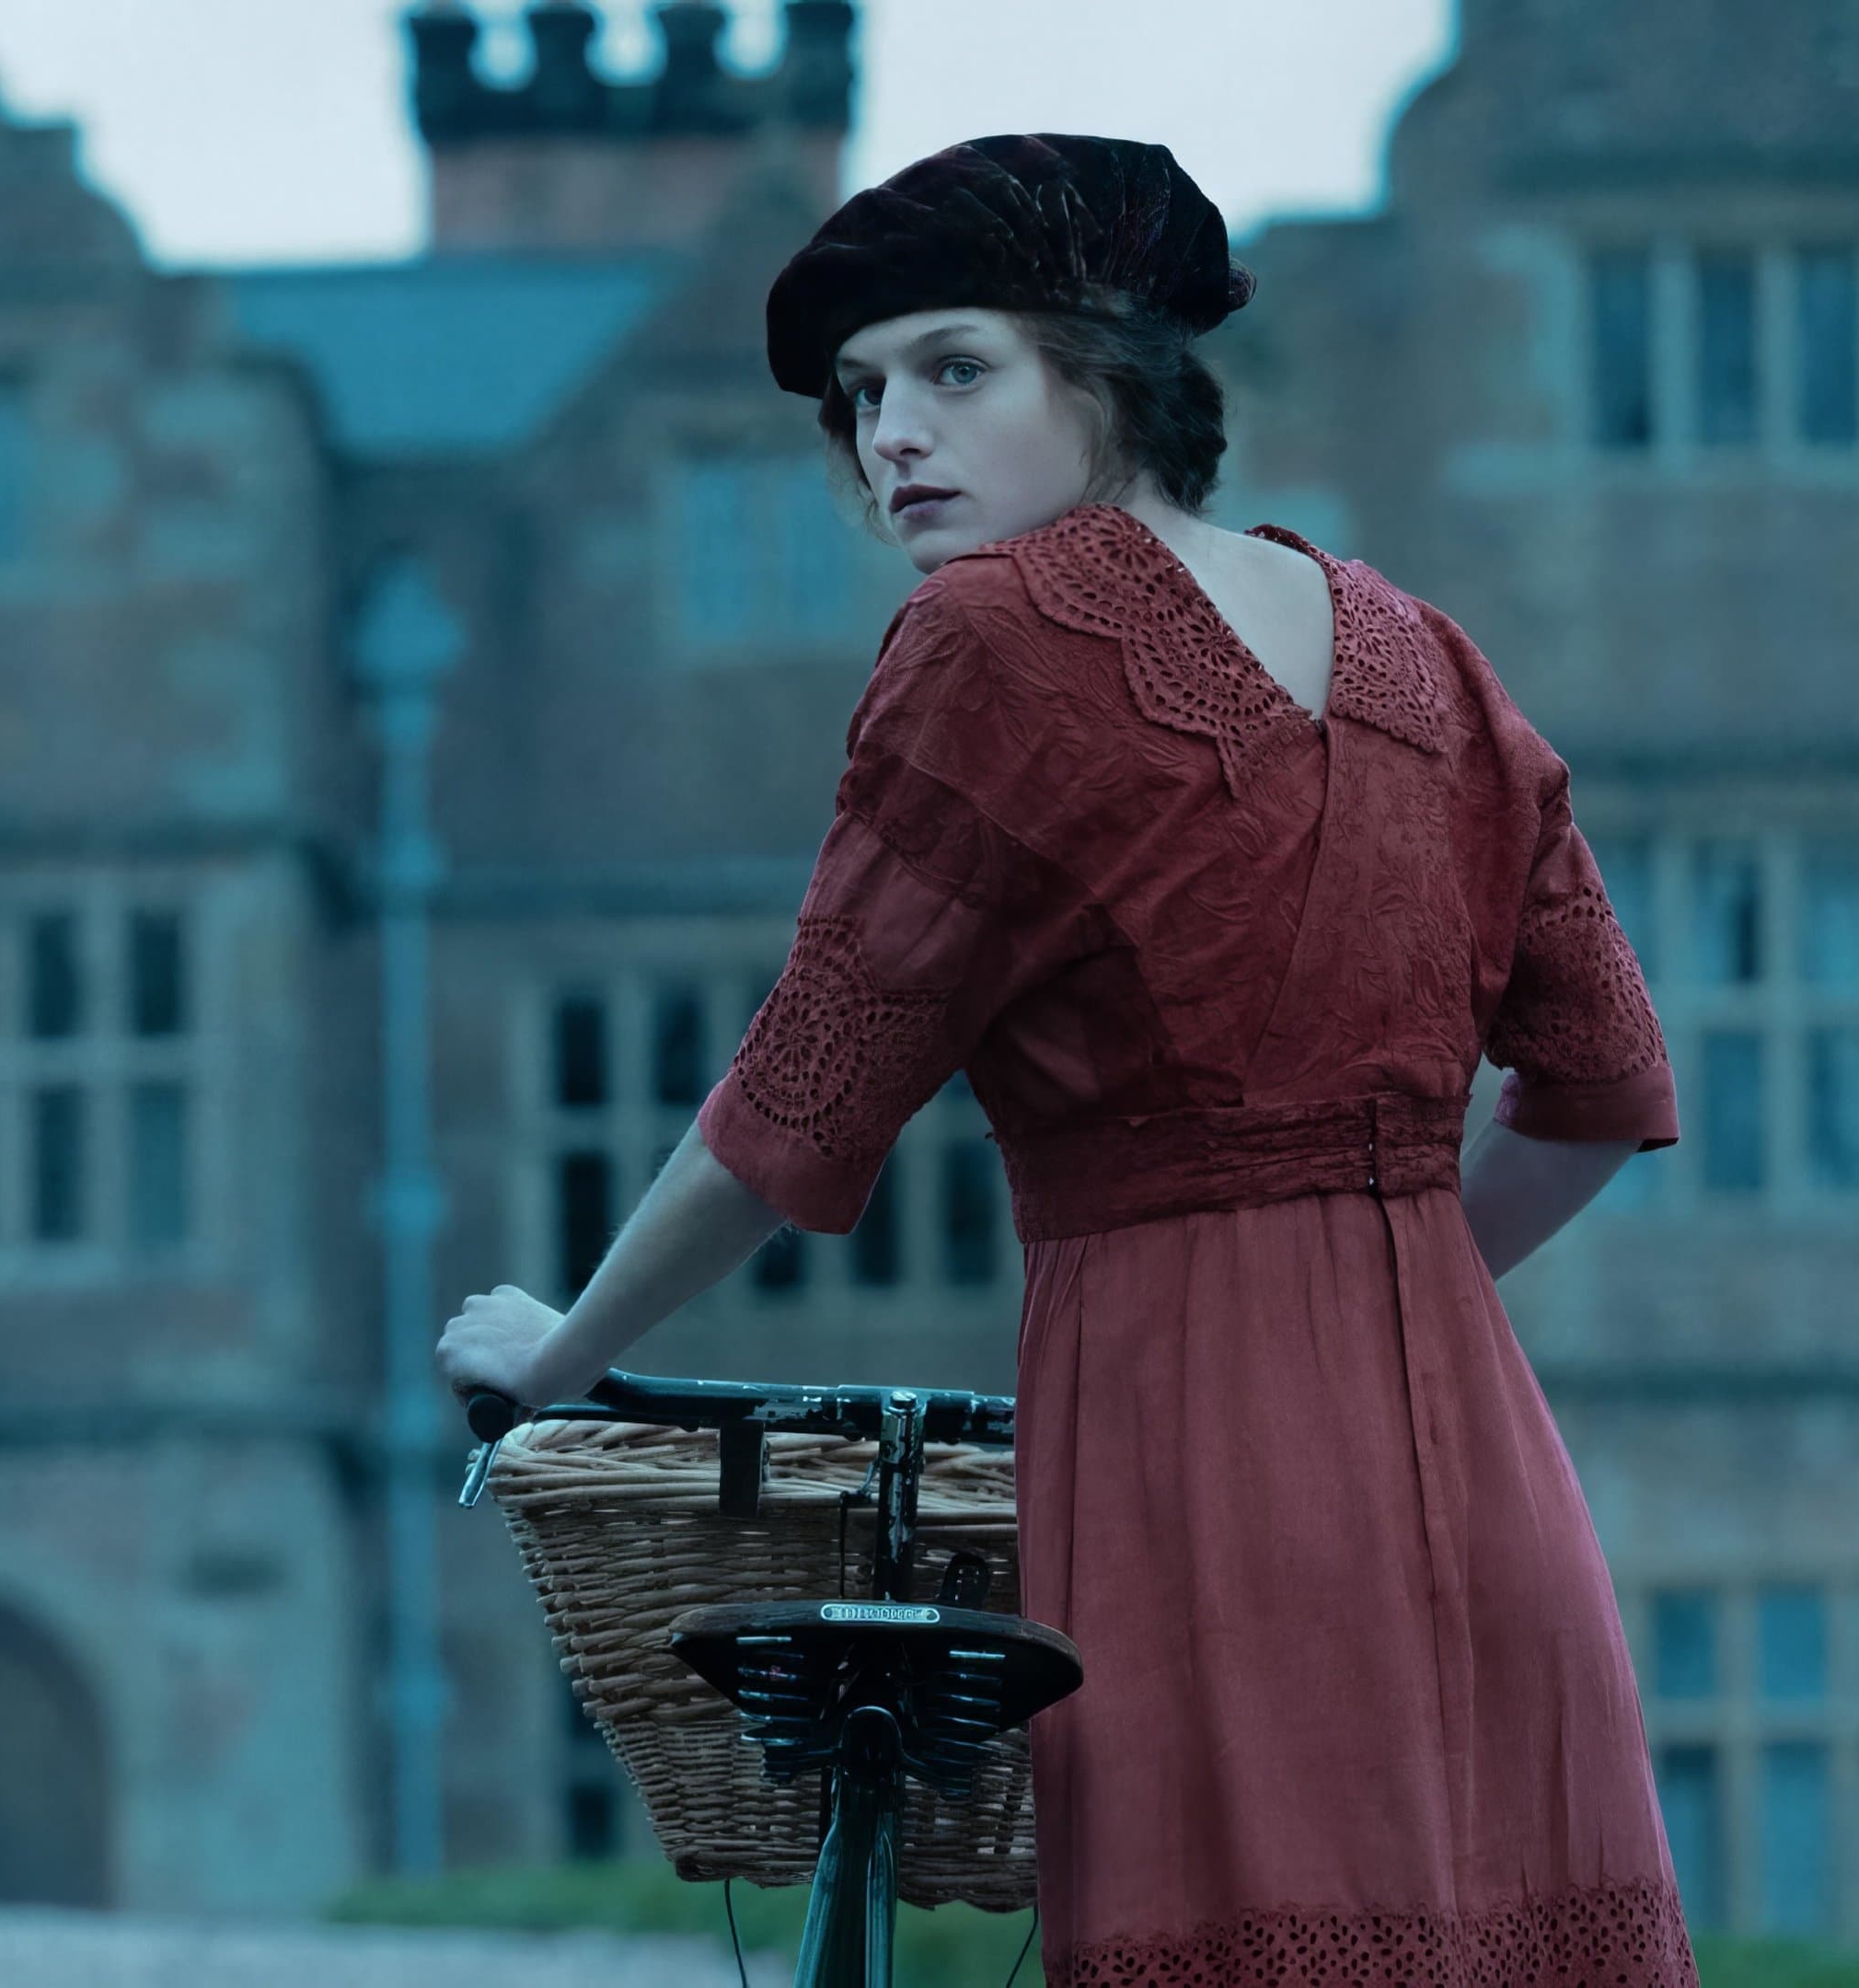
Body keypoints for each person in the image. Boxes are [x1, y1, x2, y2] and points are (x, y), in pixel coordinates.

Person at [435, 134, 1696, 1984]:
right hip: (1497, 1488)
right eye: (865, 395)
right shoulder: (1426, 654)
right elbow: (1600, 1098)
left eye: (957, 369)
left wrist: (557, 1361)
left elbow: (796, 1103)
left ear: (1108, 379)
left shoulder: (992, 639)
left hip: (1204, 1481)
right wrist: (1378, 1309)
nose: (894, 436)